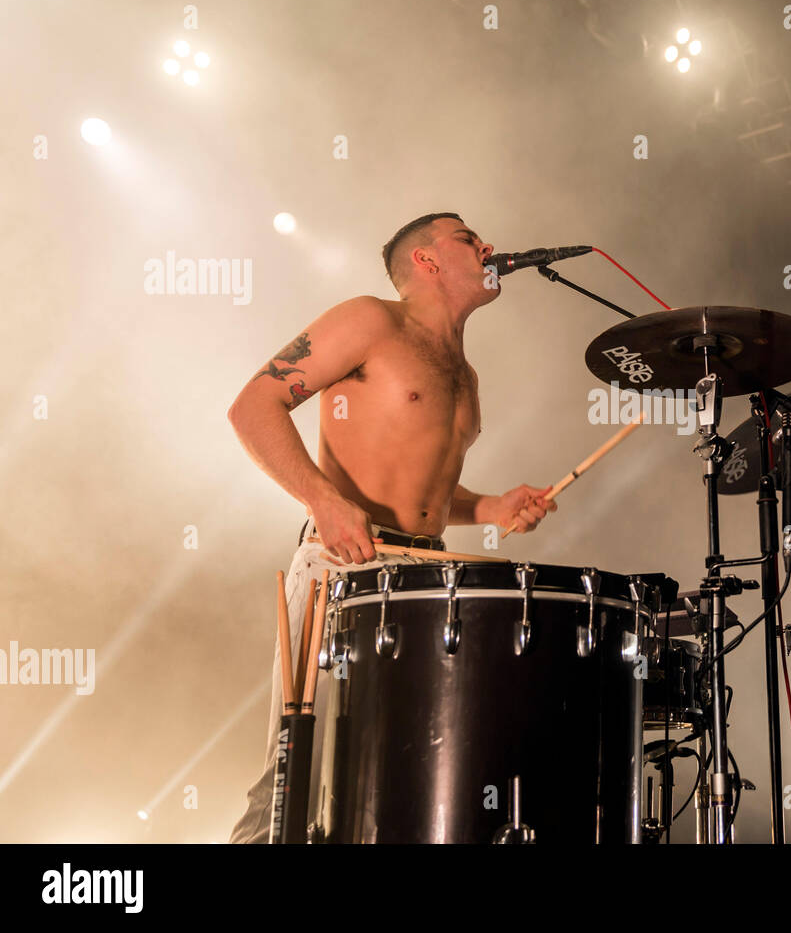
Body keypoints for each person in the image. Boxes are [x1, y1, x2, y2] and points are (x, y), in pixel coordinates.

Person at [225, 212, 556, 843]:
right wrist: (322, 499)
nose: (488, 246)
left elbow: (420, 484)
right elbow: (253, 407)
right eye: (468, 238)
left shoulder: (467, 372)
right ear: (427, 261)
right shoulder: (372, 320)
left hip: (428, 578)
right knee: (297, 778)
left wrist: (487, 508)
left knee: (395, 784)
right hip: (342, 569)